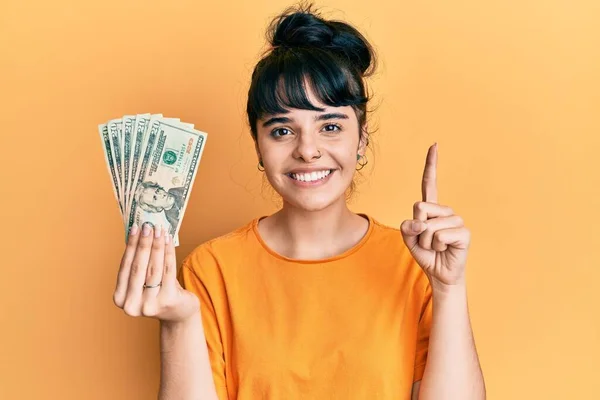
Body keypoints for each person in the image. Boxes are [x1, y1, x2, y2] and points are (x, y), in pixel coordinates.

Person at [112, 4, 486, 400]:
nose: (307, 151)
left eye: (330, 126)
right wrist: (180, 322)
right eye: (281, 130)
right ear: (258, 145)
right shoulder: (211, 269)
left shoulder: (415, 265)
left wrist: (449, 288)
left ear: (360, 139)